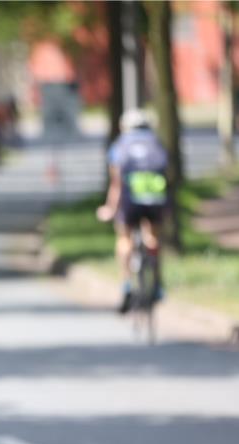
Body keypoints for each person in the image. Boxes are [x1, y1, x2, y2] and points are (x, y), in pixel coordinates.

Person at [97, 108, 169, 314]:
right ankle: (156, 282)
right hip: (154, 197)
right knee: (152, 237)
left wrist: (110, 208)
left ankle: (127, 284)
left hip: (129, 200)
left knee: (124, 237)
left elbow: (116, 183)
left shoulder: (120, 146)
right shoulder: (156, 143)